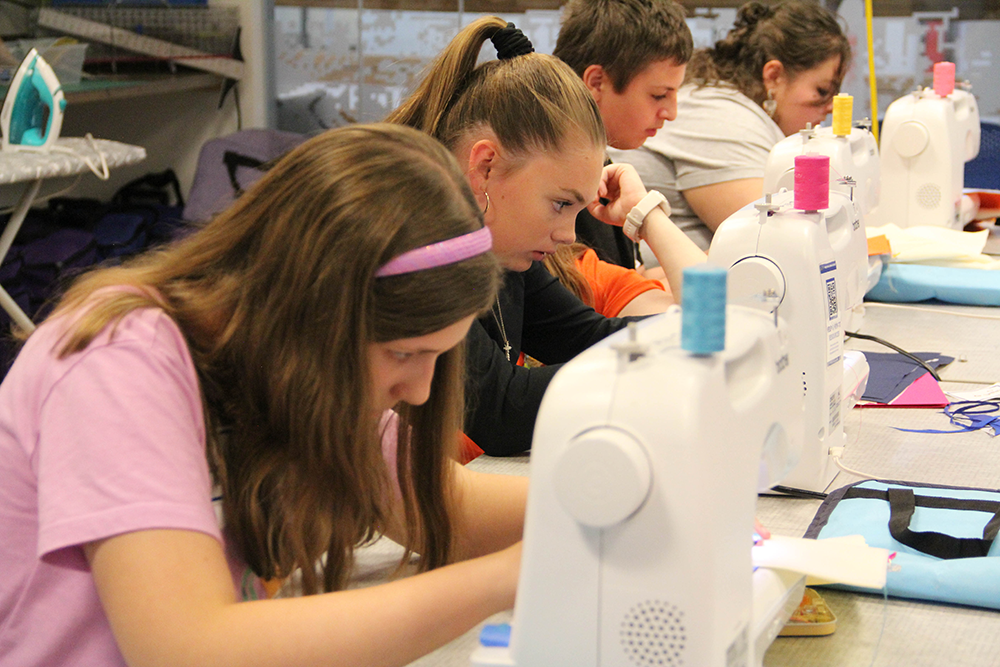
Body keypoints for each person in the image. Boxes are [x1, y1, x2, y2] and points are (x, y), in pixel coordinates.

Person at [0, 124, 529, 667]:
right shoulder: (117, 364)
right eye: (404, 353)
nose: (419, 392)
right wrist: (501, 580)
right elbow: (189, 648)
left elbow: (447, 508)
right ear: (311, 311)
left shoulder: (288, 370)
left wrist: (603, 503)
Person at [387, 17, 704, 456]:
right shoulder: (412, 249)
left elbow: (585, 338)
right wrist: (681, 350)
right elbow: (503, 412)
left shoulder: (501, 248)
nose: (568, 234)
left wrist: (698, 337)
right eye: (560, 204)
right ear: (486, 166)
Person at [610, 0, 851, 251]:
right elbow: (779, 243)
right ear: (773, 76)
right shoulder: (719, 115)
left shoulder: (726, 105)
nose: (831, 106)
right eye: (822, 91)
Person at [554, 0, 695, 271]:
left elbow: (633, 280)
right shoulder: (558, 181)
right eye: (659, 95)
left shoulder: (599, 166)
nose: (671, 112)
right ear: (596, 82)